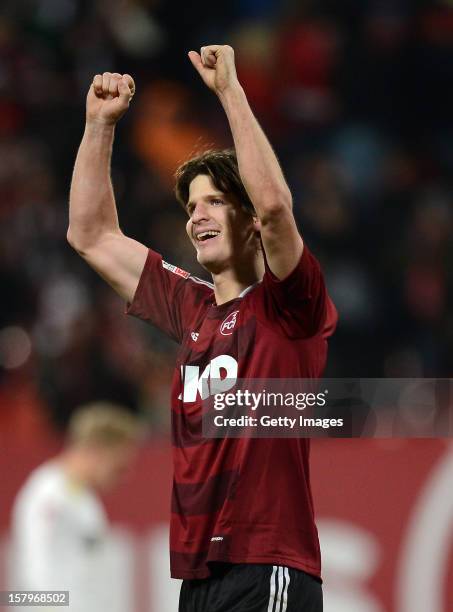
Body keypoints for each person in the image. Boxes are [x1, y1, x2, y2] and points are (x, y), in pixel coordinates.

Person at [68, 45, 337, 612]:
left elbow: (275, 208)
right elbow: (90, 234)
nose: (198, 216)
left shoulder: (291, 306)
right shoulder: (191, 308)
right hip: (198, 575)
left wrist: (229, 92)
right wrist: (98, 126)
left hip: (268, 564)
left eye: (216, 201)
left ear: (247, 222)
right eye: (192, 206)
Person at [10, 402, 141, 612]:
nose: (123, 476)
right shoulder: (48, 493)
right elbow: (35, 573)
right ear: (95, 450)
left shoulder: (84, 499)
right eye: (119, 467)